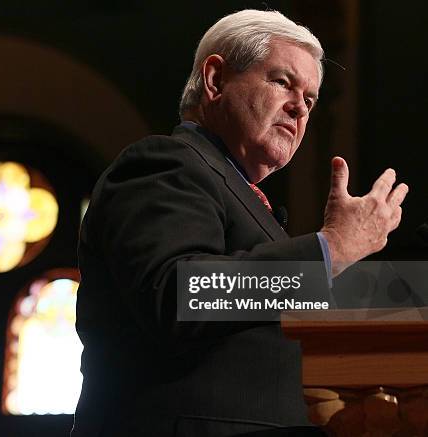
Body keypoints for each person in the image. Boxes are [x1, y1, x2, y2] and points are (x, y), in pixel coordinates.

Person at [71, 9, 408, 437]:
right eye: (283, 82)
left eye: (309, 100)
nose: (298, 109)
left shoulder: (248, 198)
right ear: (215, 80)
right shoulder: (164, 165)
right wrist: (330, 250)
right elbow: (184, 294)